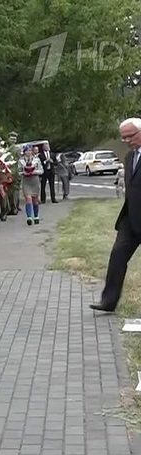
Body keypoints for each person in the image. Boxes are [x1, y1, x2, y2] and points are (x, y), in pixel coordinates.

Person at [90, 118, 141, 313]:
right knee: (117, 256)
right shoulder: (129, 158)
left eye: (130, 136)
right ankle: (108, 301)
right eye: (123, 138)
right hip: (130, 218)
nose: (127, 141)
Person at [18, 144, 44, 225]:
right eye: (27, 151)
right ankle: (29, 217)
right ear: (24, 152)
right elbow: (18, 172)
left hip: (34, 180)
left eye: (30, 150)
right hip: (26, 181)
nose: (28, 152)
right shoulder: (21, 160)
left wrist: (35, 172)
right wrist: (23, 172)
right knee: (28, 198)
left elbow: (41, 170)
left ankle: (36, 216)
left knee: (35, 200)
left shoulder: (36, 159)